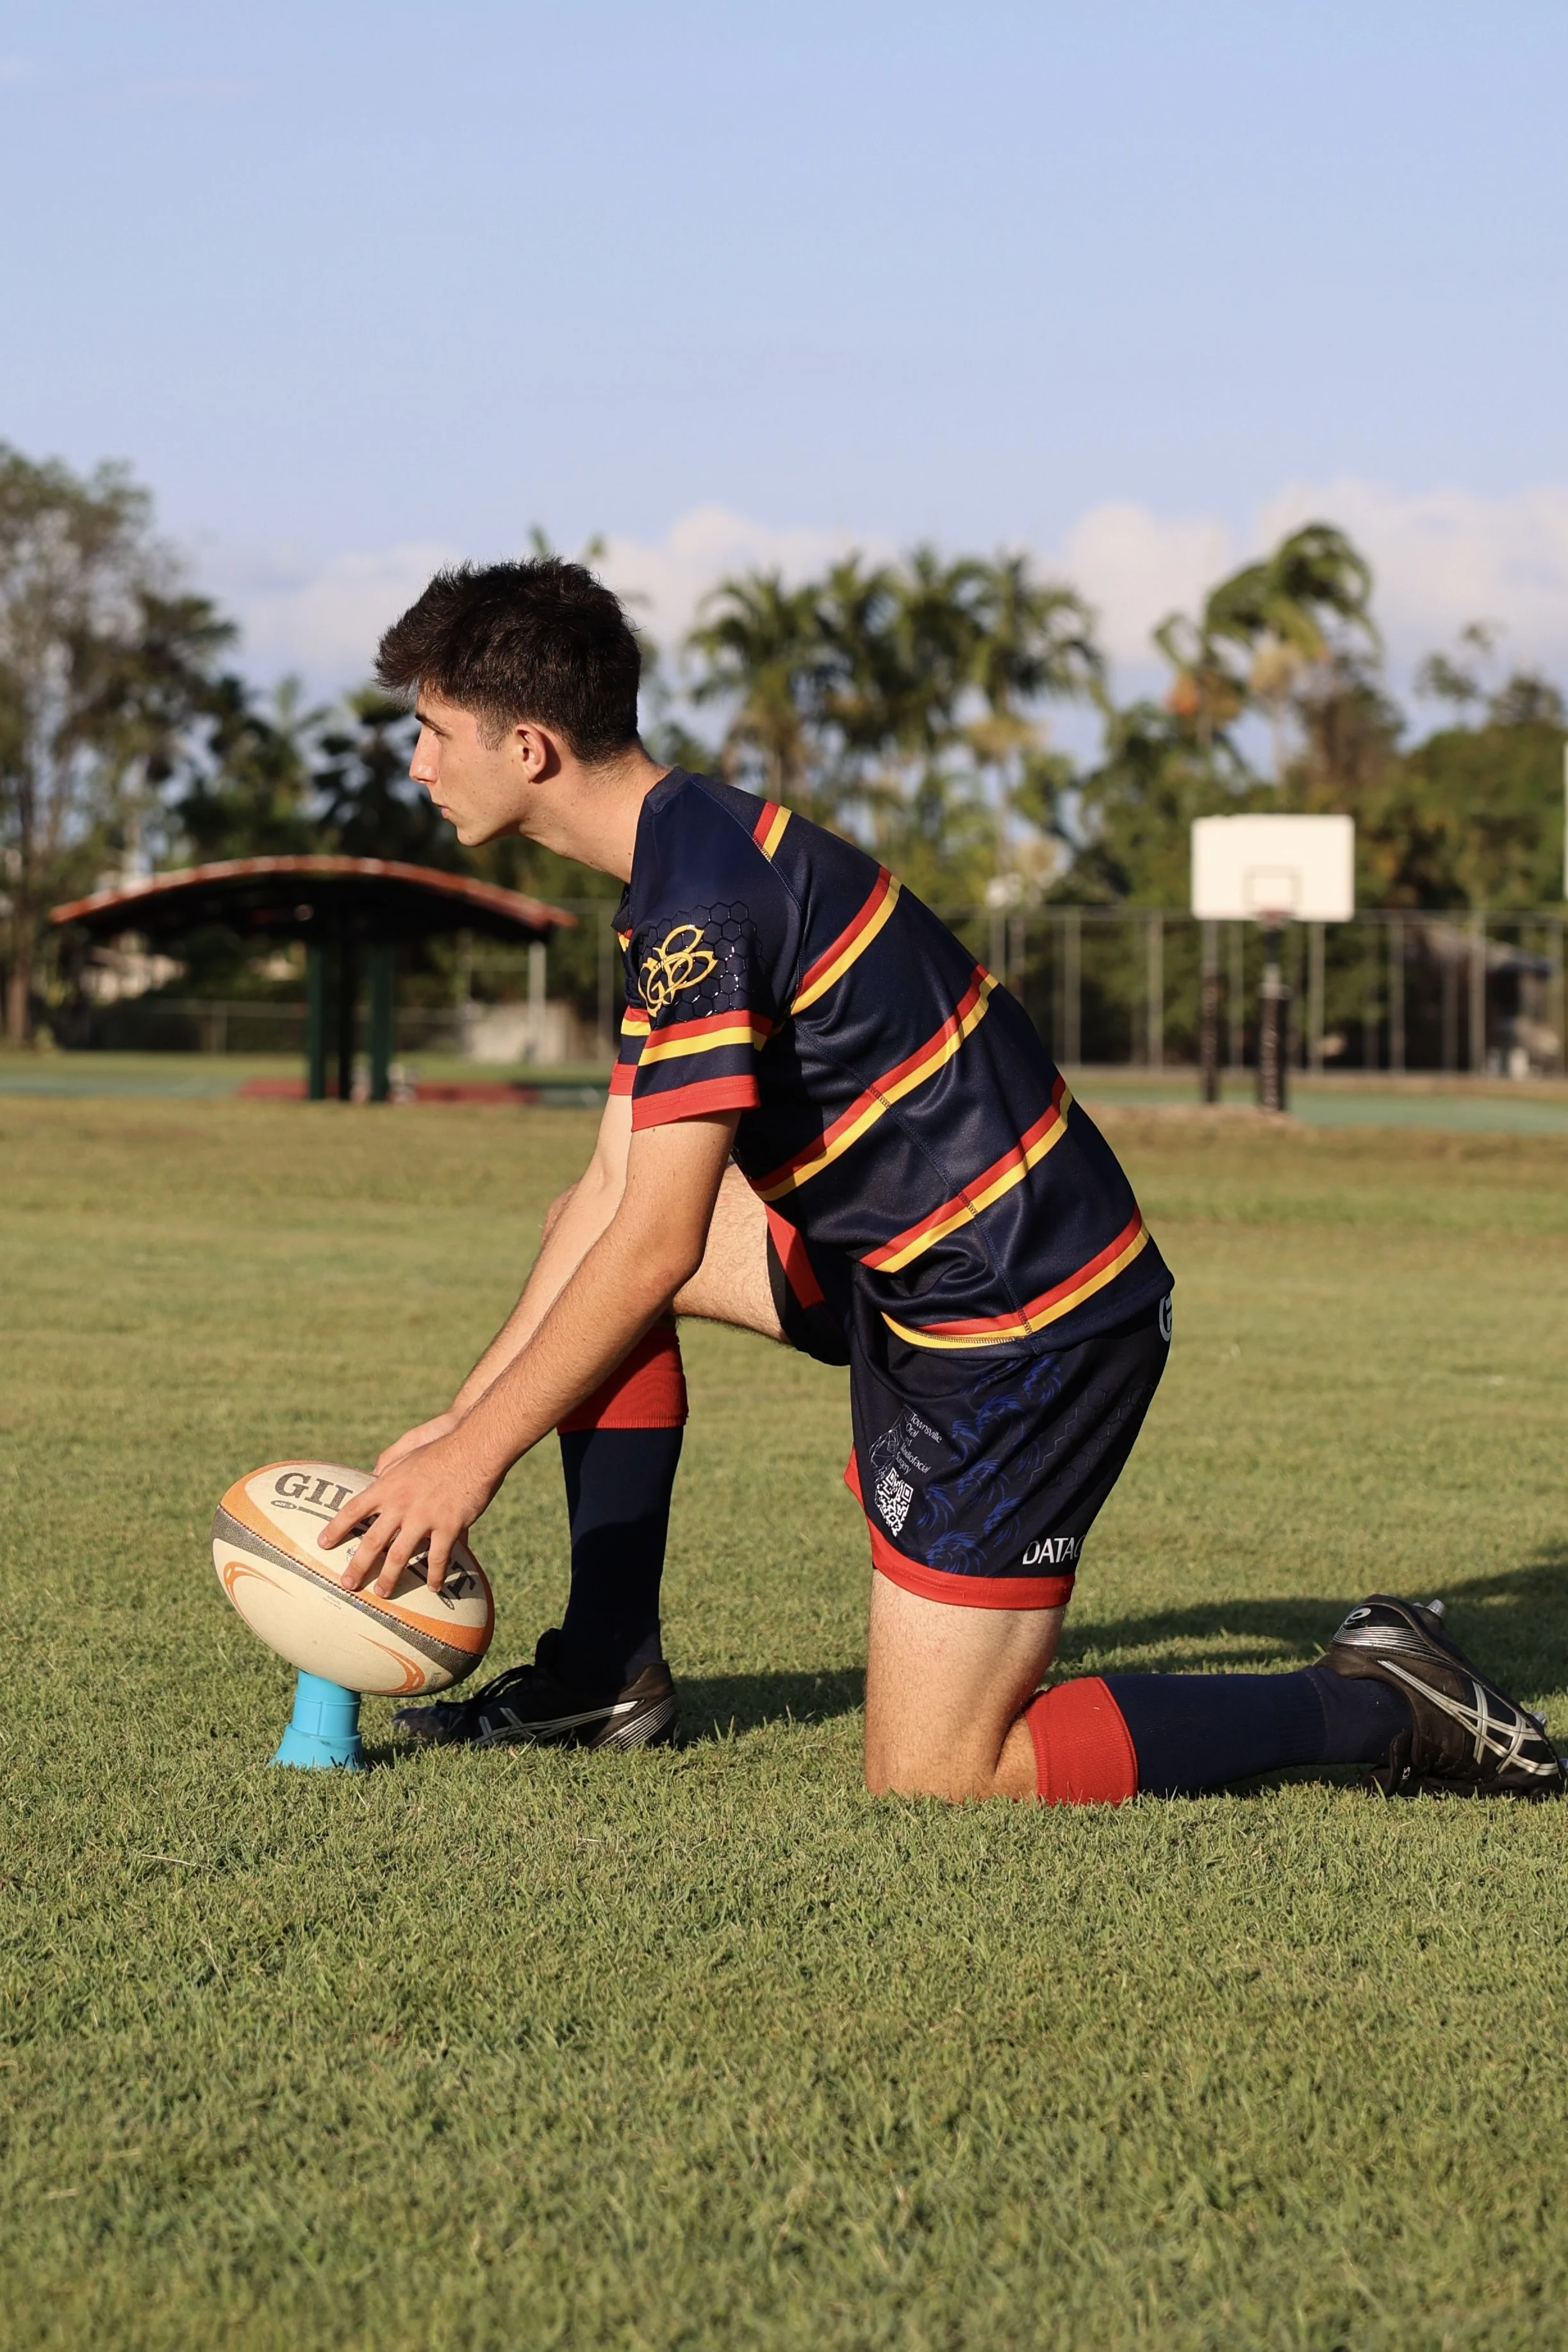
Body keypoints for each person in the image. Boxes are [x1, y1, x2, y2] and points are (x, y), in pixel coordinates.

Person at [320, 560, 1563, 1805]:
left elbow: (650, 1239)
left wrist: (475, 1459)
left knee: (934, 1775)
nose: (419, 765)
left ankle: (1373, 1698)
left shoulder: (704, 906)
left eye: (430, 732)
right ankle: (601, 1672)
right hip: (907, 1272)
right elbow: (603, 1194)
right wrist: (454, 1423)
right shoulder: (684, 863)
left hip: (1023, 1325)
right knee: (593, 1250)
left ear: (527, 746)